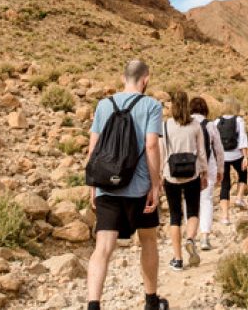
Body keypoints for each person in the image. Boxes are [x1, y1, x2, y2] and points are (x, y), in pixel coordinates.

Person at [86, 60, 169, 310]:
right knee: (148, 240)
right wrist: (155, 185)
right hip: (139, 189)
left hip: (105, 187)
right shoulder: (151, 105)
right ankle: (151, 301)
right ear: (145, 79)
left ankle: (93, 304)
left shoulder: (103, 105)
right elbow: (152, 145)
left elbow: (93, 148)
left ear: (123, 78)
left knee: (103, 247)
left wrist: (93, 186)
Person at [159, 91, 208, 271]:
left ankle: (178, 259)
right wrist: (204, 172)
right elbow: (201, 152)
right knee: (193, 211)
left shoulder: (165, 126)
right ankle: (190, 239)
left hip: (171, 175)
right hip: (192, 174)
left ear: (172, 105)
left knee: (174, 216)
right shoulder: (195, 125)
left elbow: (162, 152)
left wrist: (159, 175)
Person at [190, 97, 224, 250]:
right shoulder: (210, 125)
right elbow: (218, 149)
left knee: (190, 201)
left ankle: (190, 236)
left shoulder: (185, 123)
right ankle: (204, 237)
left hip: (188, 168)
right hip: (208, 167)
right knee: (206, 200)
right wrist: (221, 169)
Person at [216, 98, 248, 225]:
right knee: (243, 174)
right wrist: (245, 157)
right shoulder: (239, 120)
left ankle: (225, 217)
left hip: (222, 157)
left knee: (225, 185)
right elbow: (242, 139)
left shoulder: (217, 121)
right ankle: (239, 198)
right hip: (236, 155)